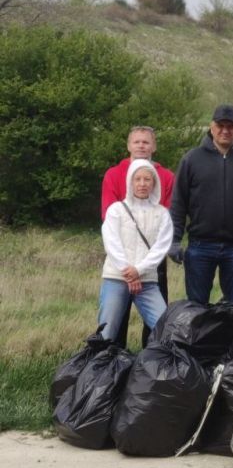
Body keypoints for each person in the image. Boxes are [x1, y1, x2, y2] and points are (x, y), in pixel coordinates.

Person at [170, 104, 233, 304]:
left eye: (230, 126)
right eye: (220, 125)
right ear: (211, 127)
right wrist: (175, 239)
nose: (225, 130)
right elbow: (179, 202)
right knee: (196, 307)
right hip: (199, 246)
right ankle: (199, 337)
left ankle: (231, 336)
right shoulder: (191, 159)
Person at [100, 125, 175, 347]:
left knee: (161, 326)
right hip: (119, 268)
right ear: (129, 145)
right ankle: (108, 366)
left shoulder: (167, 177)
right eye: (137, 142)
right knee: (111, 326)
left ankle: (151, 364)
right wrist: (128, 271)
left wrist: (140, 270)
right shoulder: (114, 176)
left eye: (146, 142)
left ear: (154, 146)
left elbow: (164, 237)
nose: (141, 146)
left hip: (149, 268)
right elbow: (110, 230)